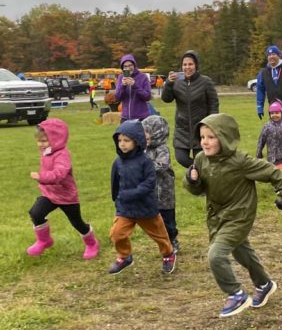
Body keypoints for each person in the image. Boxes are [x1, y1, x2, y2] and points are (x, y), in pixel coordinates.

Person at [183, 113, 282, 318]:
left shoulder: (240, 161)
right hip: (217, 217)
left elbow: (272, 172)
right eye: (202, 137)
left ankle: (236, 294)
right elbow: (198, 190)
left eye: (211, 137)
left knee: (216, 255)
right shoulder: (200, 159)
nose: (204, 142)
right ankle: (264, 284)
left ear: (224, 138)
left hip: (240, 216)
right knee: (240, 251)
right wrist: (192, 180)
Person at [108, 120, 176, 275]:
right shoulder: (118, 162)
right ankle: (125, 256)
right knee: (116, 234)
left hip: (145, 208)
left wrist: (132, 194)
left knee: (160, 236)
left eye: (126, 140)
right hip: (125, 208)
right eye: (120, 140)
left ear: (137, 141)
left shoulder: (146, 162)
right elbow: (115, 182)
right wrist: (117, 199)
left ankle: (168, 254)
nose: (122, 144)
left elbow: (149, 184)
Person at [26, 119, 100, 259]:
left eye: (44, 141)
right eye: (39, 141)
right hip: (49, 194)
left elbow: (59, 174)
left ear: (56, 139)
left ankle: (91, 243)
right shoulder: (47, 151)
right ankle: (44, 240)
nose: (40, 144)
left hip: (66, 196)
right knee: (35, 213)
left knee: (77, 222)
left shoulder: (62, 155)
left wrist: (41, 177)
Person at [161, 50, 219, 168]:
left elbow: (213, 104)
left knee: (201, 159)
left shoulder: (206, 82)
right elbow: (166, 99)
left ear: (196, 65)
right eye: (185, 64)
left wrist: (211, 124)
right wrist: (169, 84)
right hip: (182, 129)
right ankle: (198, 170)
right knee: (181, 158)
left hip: (201, 129)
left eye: (190, 64)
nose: (187, 67)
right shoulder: (176, 82)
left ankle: (199, 176)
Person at [142, 115, 180, 253]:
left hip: (164, 193)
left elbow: (162, 166)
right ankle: (163, 241)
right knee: (156, 219)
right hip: (151, 192)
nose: (144, 137)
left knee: (167, 219)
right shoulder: (143, 150)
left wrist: (144, 166)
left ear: (157, 133)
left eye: (147, 134)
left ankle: (173, 239)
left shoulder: (162, 149)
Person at [114, 54, 153, 122]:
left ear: (134, 65)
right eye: (125, 66)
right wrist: (123, 86)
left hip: (141, 117)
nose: (128, 68)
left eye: (130, 65)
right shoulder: (121, 77)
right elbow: (117, 97)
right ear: (122, 68)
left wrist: (135, 85)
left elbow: (147, 97)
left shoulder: (143, 77)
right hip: (125, 117)